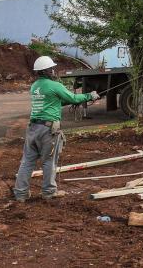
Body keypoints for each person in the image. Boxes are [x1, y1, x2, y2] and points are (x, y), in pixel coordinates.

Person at [13, 55, 99, 202]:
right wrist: (89, 96)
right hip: (48, 130)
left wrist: (67, 101)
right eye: (51, 69)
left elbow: (51, 102)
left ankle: (21, 194)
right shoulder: (54, 85)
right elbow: (73, 98)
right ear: (46, 70)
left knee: (27, 162)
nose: (53, 71)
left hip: (33, 128)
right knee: (49, 161)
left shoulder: (35, 86)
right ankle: (49, 192)